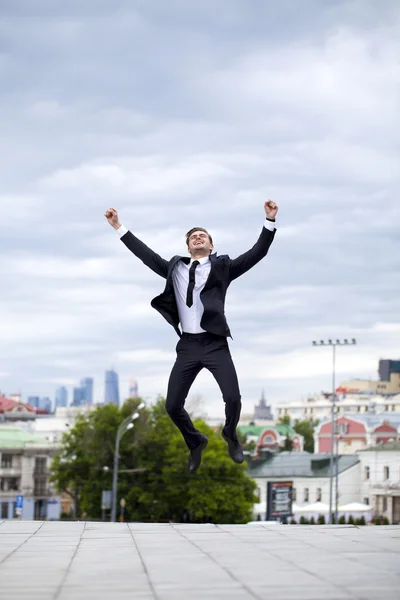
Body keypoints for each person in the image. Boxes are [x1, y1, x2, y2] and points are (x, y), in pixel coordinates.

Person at [105, 201, 278, 473]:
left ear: (210, 245)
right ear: (188, 247)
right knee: (172, 405)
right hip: (187, 346)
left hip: (214, 344)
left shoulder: (224, 267)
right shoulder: (175, 269)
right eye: (193, 237)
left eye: (203, 236)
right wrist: (118, 226)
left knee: (233, 398)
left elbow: (258, 253)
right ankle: (195, 441)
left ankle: (230, 435)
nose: (198, 238)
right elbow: (145, 254)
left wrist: (269, 221)